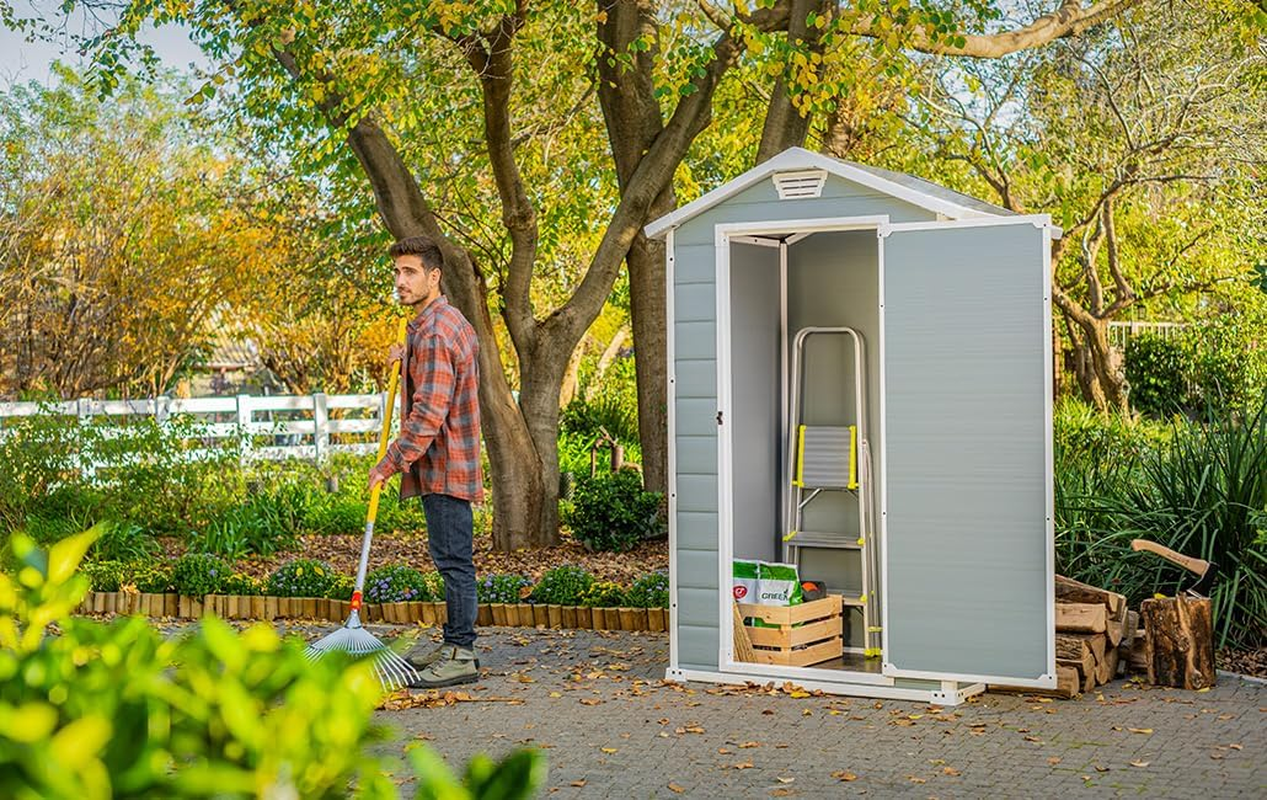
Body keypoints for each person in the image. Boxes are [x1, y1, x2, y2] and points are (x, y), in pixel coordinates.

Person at [368, 235, 483, 688]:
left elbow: (430, 412)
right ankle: (454, 642)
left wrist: (389, 462)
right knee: (451, 559)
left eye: (409, 272)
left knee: (454, 562)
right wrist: (406, 355)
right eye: (396, 272)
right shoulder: (443, 324)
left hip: (445, 465)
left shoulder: (434, 332)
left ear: (433, 276)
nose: (400, 280)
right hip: (449, 462)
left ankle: (462, 654)